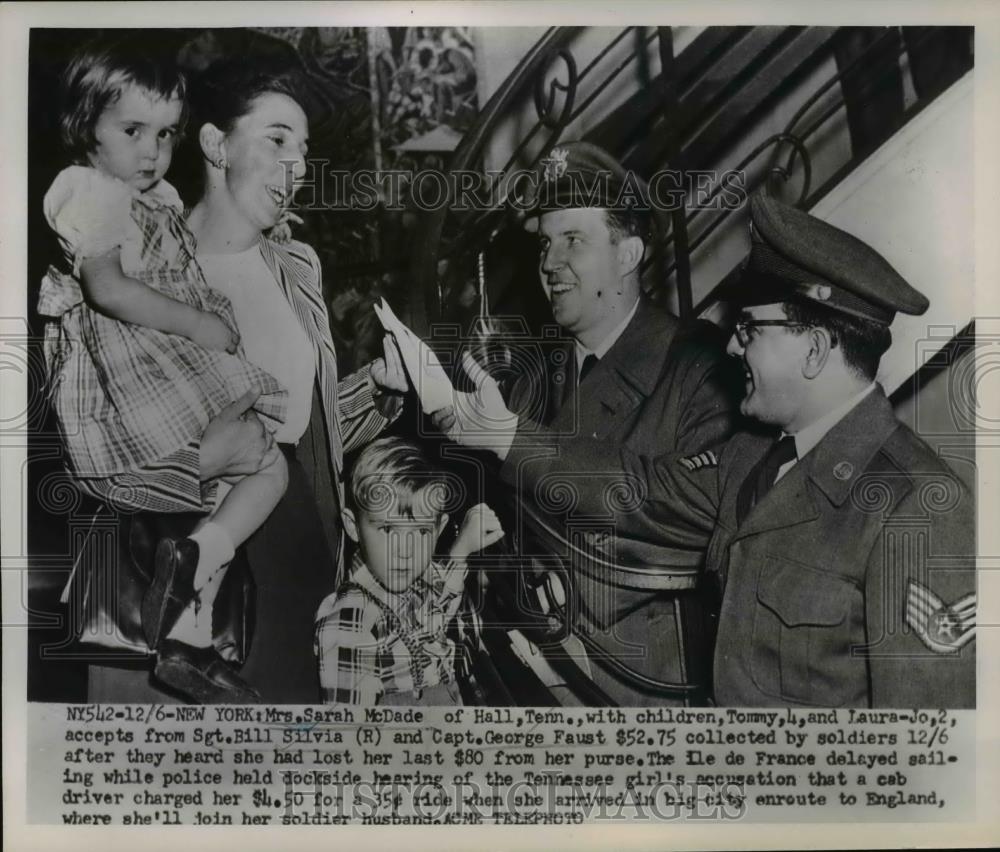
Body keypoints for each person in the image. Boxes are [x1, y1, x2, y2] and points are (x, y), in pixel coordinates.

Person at [75, 54, 409, 704]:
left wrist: (377, 391)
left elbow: (300, 428)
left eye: (304, 150)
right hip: (183, 569)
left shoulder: (297, 264)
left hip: (302, 557)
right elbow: (100, 450)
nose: (298, 167)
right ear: (215, 144)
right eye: (277, 140)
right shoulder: (139, 271)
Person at [581, 194, 976, 707]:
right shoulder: (752, 457)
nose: (730, 347)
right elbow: (638, 490)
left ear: (813, 350)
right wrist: (502, 435)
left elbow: (925, 755)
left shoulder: (918, 507)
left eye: (748, 329)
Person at [432, 142, 739, 706]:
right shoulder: (539, 368)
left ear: (628, 256)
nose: (549, 264)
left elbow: (693, 513)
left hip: (630, 692)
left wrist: (510, 439)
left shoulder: (701, 369)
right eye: (546, 244)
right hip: (519, 668)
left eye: (573, 240)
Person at [36, 37, 295, 703]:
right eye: (132, 130)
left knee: (260, 469)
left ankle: (193, 624)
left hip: (165, 372)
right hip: (133, 376)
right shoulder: (88, 191)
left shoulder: (156, 197)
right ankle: (196, 579)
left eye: (166, 134)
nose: (152, 152)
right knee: (259, 466)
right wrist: (198, 322)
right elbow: (110, 289)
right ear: (82, 125)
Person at [314, 437, 504, 706]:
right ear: (352, 526)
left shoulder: (405, 582)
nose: (405, 551)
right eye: (388, 530)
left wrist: (461, 551)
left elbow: (435, 605)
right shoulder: (352, 620)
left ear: (438, 531)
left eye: (422, 531)